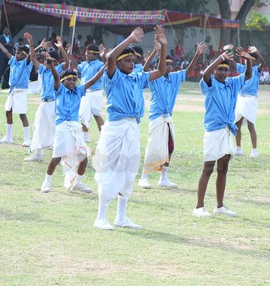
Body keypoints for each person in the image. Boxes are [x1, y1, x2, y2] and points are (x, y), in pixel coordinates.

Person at [92, 26, 167, 230]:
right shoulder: (113, 77)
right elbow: (110, 57)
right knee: (109, 170)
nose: (132, 63)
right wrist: (130, 38)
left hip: (133, 127)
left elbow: (161, 71)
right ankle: (100, 217)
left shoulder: (137, 77)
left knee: (128, 171)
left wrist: (163, 47)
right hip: (116, 128)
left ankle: (121, 217)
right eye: (127, 60)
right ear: (118, 63)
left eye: (133, 60)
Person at [137, 41, 206, 189]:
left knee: (170, 146)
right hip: (156, 116)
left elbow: (188, 72)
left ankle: (163, 178)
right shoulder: (155, 77)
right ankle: (144, 177)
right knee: (153, 146)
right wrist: (155, 52)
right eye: (165, 64)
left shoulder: (174, 77)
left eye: (170, 64)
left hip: (168, 116)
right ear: (159, 65)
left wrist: (197, 55)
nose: (168, 66)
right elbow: (144, 70)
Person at [193, 47, 253, 218]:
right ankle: (199, 207)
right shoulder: (210, 83)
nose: (222, 73)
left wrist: (248, 60)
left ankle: (219, 206)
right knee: (208, 168)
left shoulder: (231, 84)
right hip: (213, 131)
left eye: (225, 70)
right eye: (219, 69)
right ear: (215, 70)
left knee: (223, 168)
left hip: (227, 130)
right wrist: (220, 58)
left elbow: (248, 76)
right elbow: (205, 74)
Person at [40, 60, 106, 194]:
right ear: (63, 81)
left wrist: (106, 65)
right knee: (57, 157)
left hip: (75, 127)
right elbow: (56, 77)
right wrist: (52, 65)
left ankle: (77, 183)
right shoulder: (59, 89)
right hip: (62, 127)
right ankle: (46, 182)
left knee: (84, 157)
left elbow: (93, 80)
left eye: (74, 80)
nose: (72, 82)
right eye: (69, 79)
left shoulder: (78, 90)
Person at [25, 37, 70, 162]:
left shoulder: (58, 69)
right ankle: (38, 154)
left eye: (48, 61)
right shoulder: (43, 71)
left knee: (56, 129)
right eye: (44, 61)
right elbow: (33, 58)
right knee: (37, 126)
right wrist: (32, 44)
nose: (45, 63)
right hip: (43, 103)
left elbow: (67, 62)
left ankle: (62, 156)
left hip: (54, 103)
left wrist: (61, 48)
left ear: (54, 62)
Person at [0, 32, 36, 146]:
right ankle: (8, 137)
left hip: (21, 91)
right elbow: (5, 52)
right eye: (16, 52)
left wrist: (31, 43)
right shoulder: (13, 60)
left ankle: (27, 139)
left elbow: (31, 55)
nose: (15, 54)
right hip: (12, 91)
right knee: (8, 111)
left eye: (18, 53)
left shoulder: (26, 63)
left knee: (22, 114)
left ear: (24, 55)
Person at [234, 46, 266, 158]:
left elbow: (263, 63)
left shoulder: (256, 69)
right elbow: (231, 63)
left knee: (250, 125)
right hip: (240, 97)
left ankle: (254, 150)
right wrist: (228, 51)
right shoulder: (242, 68)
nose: (247, 61)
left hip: (250, 99)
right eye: (245, 58)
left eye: (250, 59)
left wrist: (257, 52)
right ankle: (238, 148)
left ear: (254, 61)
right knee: (237, 124)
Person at [78, 43, 106, 143]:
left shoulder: (100, 64)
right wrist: (69, 55)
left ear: (95, 54)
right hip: (84, 92)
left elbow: (106, 68)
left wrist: (104, 57)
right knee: (82, 115)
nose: (86, 54)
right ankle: (85, 137)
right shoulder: (84, 64)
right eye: (86, 53)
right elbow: (77, 68)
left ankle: (103, 138)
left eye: (89, 53)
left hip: (95, 92)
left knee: (96, 114)